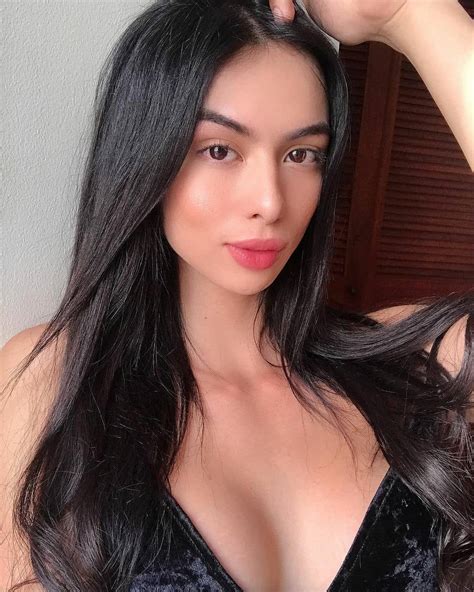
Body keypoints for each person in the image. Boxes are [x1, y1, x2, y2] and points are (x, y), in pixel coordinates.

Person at [1, 0, 472, 591]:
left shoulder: (412, 369)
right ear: (146, 156)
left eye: (301, 155)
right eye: (220, 149)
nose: (270, 201)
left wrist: (411, 15)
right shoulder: (54, 385)